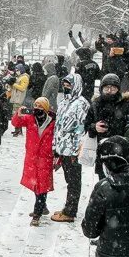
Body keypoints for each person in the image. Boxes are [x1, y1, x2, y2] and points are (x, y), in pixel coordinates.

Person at [11, 98, 55, 227]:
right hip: (32, 157)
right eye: (35, 105)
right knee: (36, 185)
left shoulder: (53, 122)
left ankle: (37, 214)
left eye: (40, 106)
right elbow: (16, 123)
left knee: (42, 186)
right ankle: (43, 206)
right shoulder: (30, 118)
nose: (37, 108)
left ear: (46, 108)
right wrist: (18, 114)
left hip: (45, 158)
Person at [52, 74, 90, 222]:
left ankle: (70, 211)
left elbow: (81, 129)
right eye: (65, 84)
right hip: (63, 148)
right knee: (69, 180)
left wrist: (76, 150)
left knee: (74, 181)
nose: (66, 87)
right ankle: (68, 207)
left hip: (73, 149)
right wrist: (56, 146)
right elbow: (58, 126)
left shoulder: (81, 104)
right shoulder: (63, 103)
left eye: (69, 85)